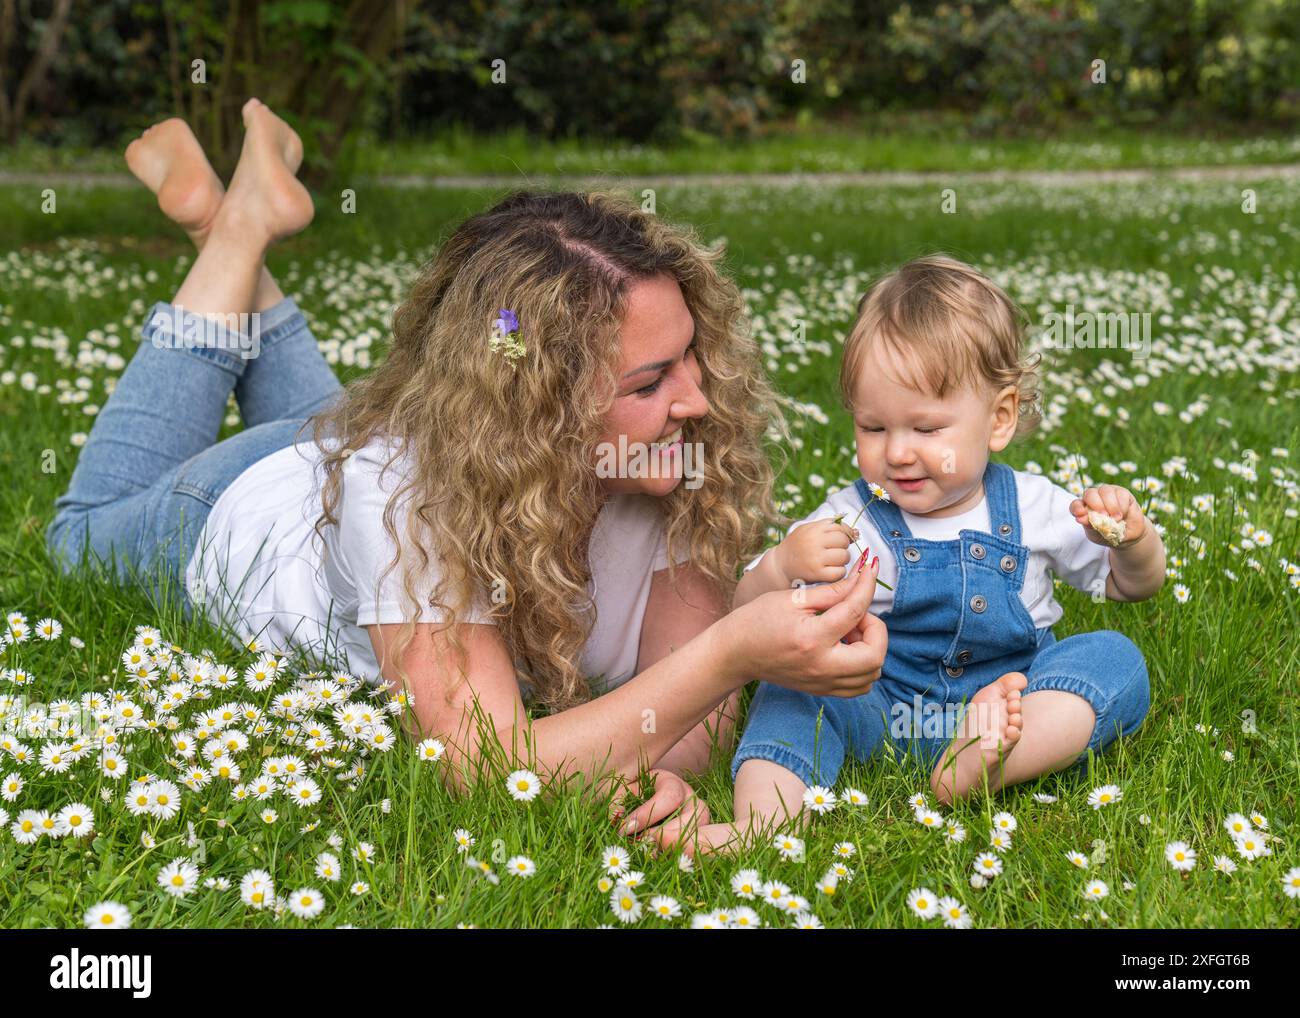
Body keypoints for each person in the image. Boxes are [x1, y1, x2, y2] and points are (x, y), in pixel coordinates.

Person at [43, 99, 890, 848]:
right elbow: (488, 772)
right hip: (249, 502)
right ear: (538, 409)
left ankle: (239, 222)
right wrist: (734, 651)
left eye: (690, 358)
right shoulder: (401, 495)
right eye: (650, 381)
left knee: (356, 420)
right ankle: (230, 233)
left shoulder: (666, 463)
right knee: (79, 536)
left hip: (375, 446)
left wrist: (649, 770)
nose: (699, 398)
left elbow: (684, 723)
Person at [668, 254, 1162, 855]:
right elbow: (742, 615)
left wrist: (1134, 543)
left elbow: (1132, 586)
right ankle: (766, 823)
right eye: (874, 428)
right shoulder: (852, 518)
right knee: (792, 687)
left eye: (925, 430)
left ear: (999, 418)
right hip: (879, 709)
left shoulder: (1034, 507)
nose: (897, 452)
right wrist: (777, 569)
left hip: (1014, 702)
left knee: (1114, 659)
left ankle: (989, 763)